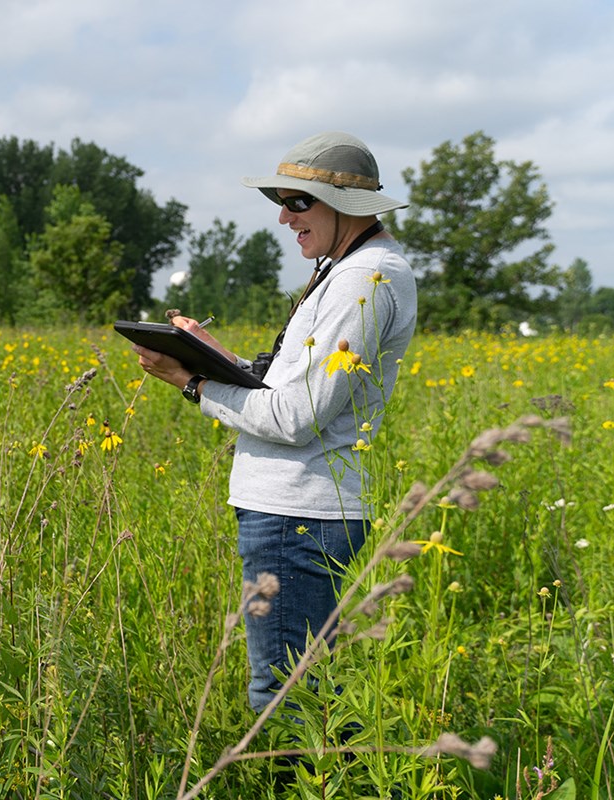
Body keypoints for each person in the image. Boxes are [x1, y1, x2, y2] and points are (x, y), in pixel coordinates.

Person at [133, 132, 417, 712]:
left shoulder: (364, 278)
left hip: (296, 512)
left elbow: (293, 418)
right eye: (280, 202)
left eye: (298, 203)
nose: (286, 220)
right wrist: (212, 354)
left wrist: (191, 382)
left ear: (343, 205)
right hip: (294, 509)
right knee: (305, 689)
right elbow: (289, 388)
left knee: (286, 694)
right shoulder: (347, 270)